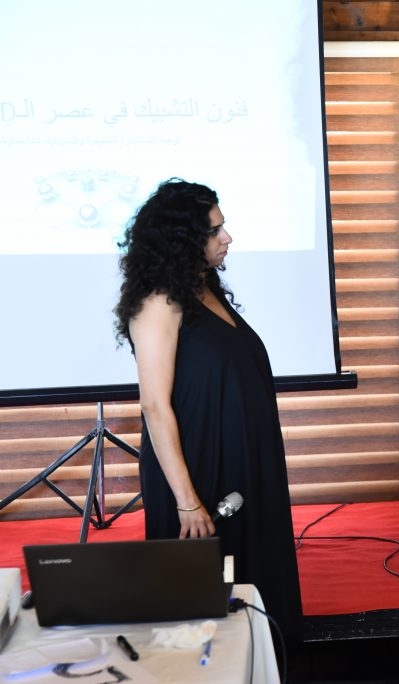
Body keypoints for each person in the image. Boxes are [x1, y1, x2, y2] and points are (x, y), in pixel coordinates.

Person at [113, 179, 302, 640]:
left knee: (252, 584)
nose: (227, 237)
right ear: (183, 240)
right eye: (214, 231)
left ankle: (263, 660)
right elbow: (155, 406)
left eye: (223, 226)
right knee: (200, 610)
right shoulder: (158, 301)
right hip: (198, 467)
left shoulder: (205, 288)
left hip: (242, 464)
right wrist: (188, 501)